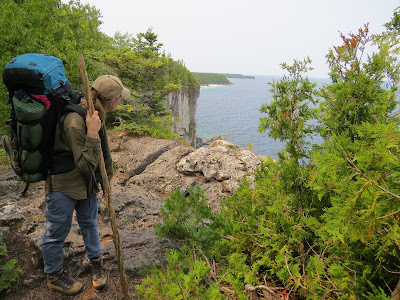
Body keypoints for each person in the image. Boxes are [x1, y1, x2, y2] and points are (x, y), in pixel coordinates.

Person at [42, 75, 130, 296]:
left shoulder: (96, 114)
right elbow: (85, 164)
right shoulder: (75, 122)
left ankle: (96, 263)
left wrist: (105, 183)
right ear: (112, 101)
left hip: (86, 183)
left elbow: (104, 153)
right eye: (120, 97)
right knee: (57, 232)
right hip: (64, 183)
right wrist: (91, 132)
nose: (121, 101)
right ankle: (54, 276)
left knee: (89, 223)